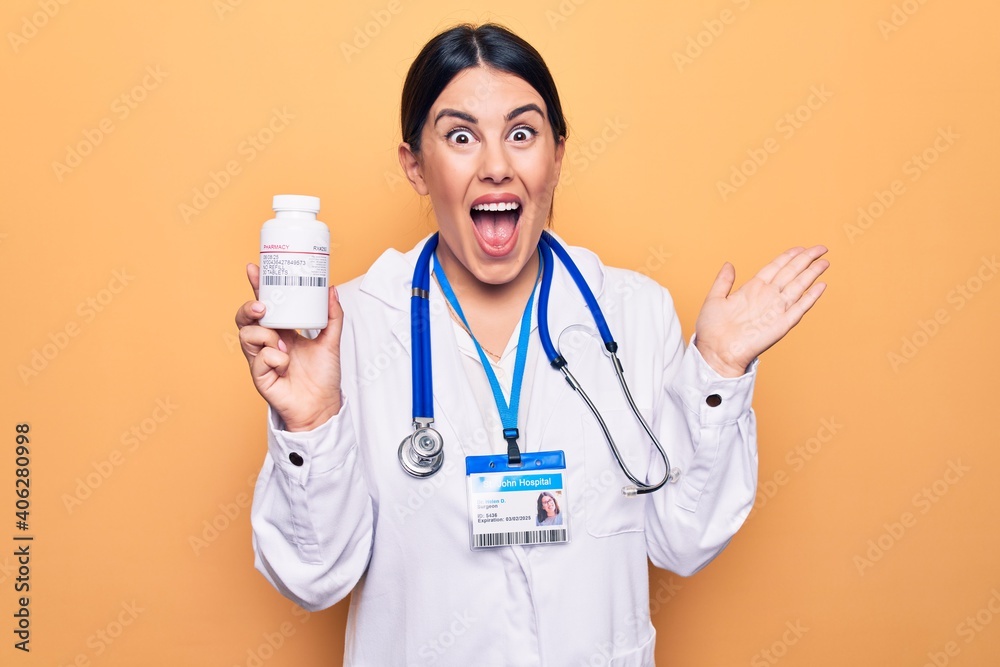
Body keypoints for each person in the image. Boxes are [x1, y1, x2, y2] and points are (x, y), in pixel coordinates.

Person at [235, 22, 828, 666]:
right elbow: (313, 579)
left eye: (522, 134)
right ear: (415, 166)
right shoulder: (348, 328)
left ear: (557, 155)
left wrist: (718, 370)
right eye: (461, 137)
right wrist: (312, 423)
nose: (496, 166)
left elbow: (682, 541)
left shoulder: (632, 312)